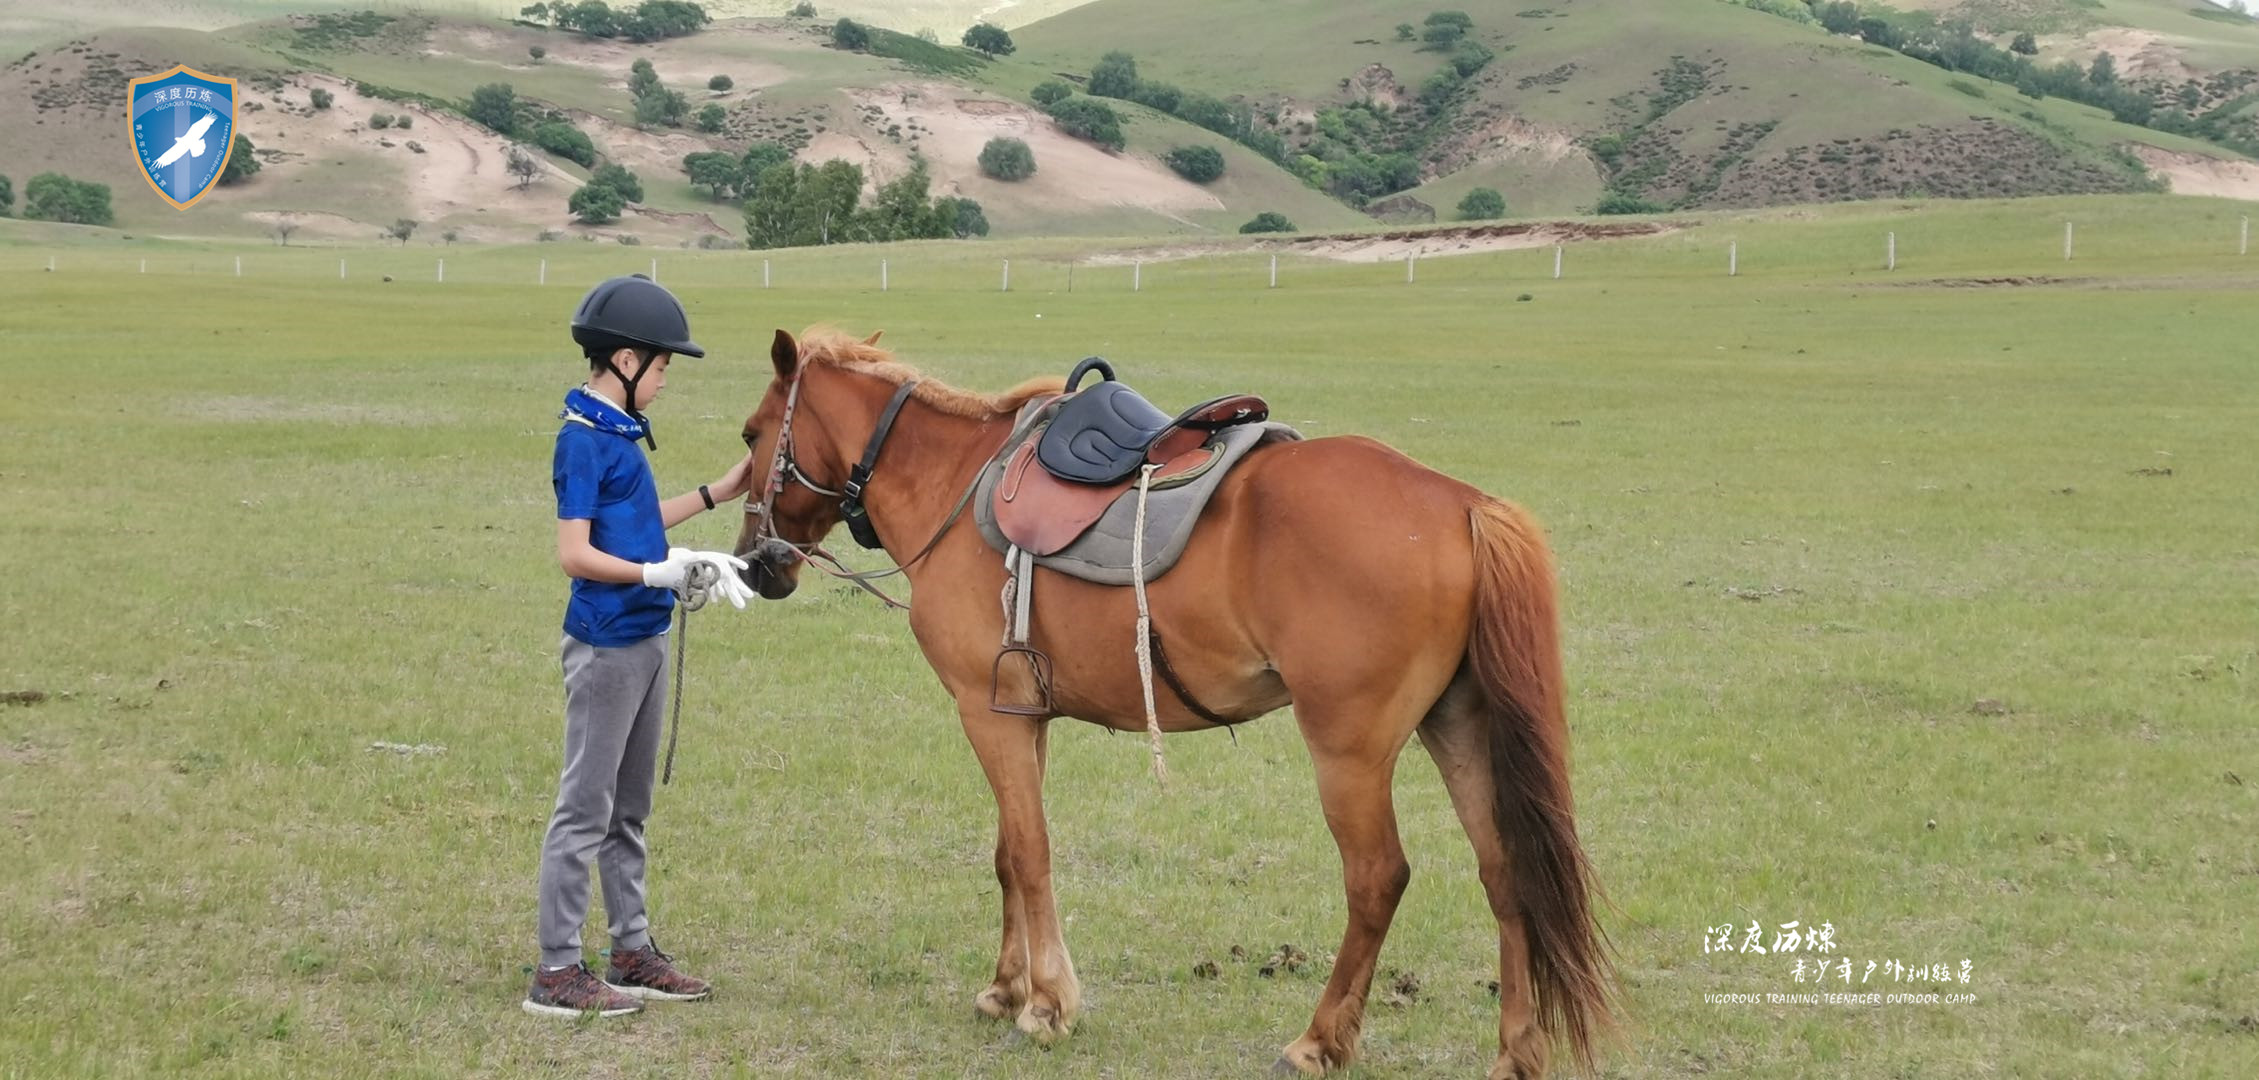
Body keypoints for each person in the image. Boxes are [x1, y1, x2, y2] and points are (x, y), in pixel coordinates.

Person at [524, 274, 754, 1018]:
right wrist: (657, 569)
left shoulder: (618, 434)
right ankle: (557, 970)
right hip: (606, 650)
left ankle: (630, 949)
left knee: (629, 809)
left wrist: (717, 495)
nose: (663, 381)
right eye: (660, 368)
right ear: (624, 360)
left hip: (646, 638)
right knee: (582, 810)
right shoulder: (582, 439)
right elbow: (574, 550)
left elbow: (639, 515)